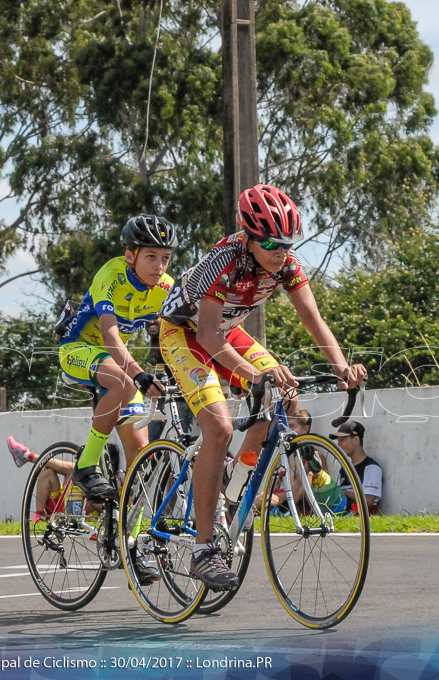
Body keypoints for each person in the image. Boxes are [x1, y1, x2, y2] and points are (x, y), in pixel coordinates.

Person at [158, 183, 367, 590]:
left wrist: (342, 366)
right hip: (187, 335)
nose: (280, 251)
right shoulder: (224, 259)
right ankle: (202, 551)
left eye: (288, 243)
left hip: (225, 332)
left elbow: (313, 319)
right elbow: (206, 335)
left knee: (284, 391)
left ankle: (234, 485)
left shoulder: (286, 264)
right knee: (217, 428)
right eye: (271, 242)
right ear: (249, 237)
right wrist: (253, 375)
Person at [56, 215, 176, 500]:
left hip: (118, 361)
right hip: (78, 348)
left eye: (165, 258)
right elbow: (110, 335)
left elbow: (184, 334)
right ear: (130, 256)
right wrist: (138, 374)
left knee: (140, 460)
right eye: (150, 256)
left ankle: (127, 538)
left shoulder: (166, 288)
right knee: (125, 384)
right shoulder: (111, 274)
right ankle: (86, 465)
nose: (159, 266)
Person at [270, 408, 347, 515]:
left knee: (308, 468)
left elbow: (307, 487)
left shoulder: (314, 455)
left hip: (298, 501)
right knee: (261, 497)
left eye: (292, 426)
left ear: (305, 429)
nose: (287, 431)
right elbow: (275, 484)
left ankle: (285, 510)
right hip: (282, 496)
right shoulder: (286, 456)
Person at [328, 419, 382, 515]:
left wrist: (343, 493)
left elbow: (369, 501)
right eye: (338, 441)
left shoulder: (371, 467)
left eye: (342, 440)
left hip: (360, 517)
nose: (339, 445)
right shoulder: (344, 469)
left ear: (356, 440)